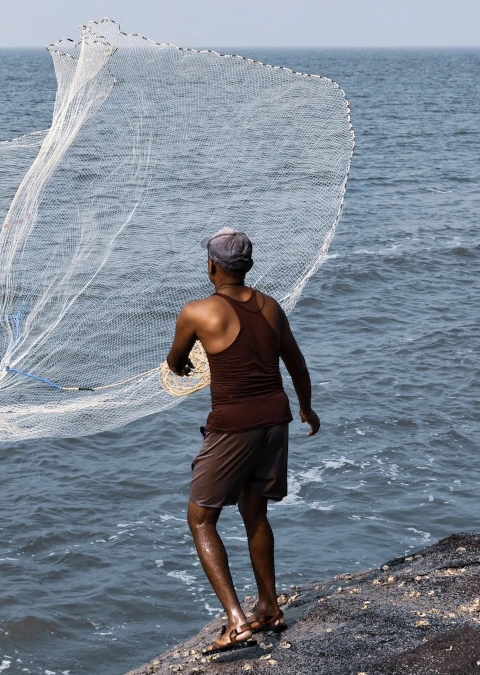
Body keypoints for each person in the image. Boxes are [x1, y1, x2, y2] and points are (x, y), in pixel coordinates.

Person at [165, 227, 321, 655]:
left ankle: (236, 622)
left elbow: (176, 362)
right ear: (247, 266)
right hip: (276, 417)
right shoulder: (271, 307)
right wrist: (307, 409)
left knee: (201, 518)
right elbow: (297, 364)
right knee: (256, 511)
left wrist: (184, 366)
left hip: (233, 425)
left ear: (211, 266)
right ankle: (269, 607)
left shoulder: (198, 312)